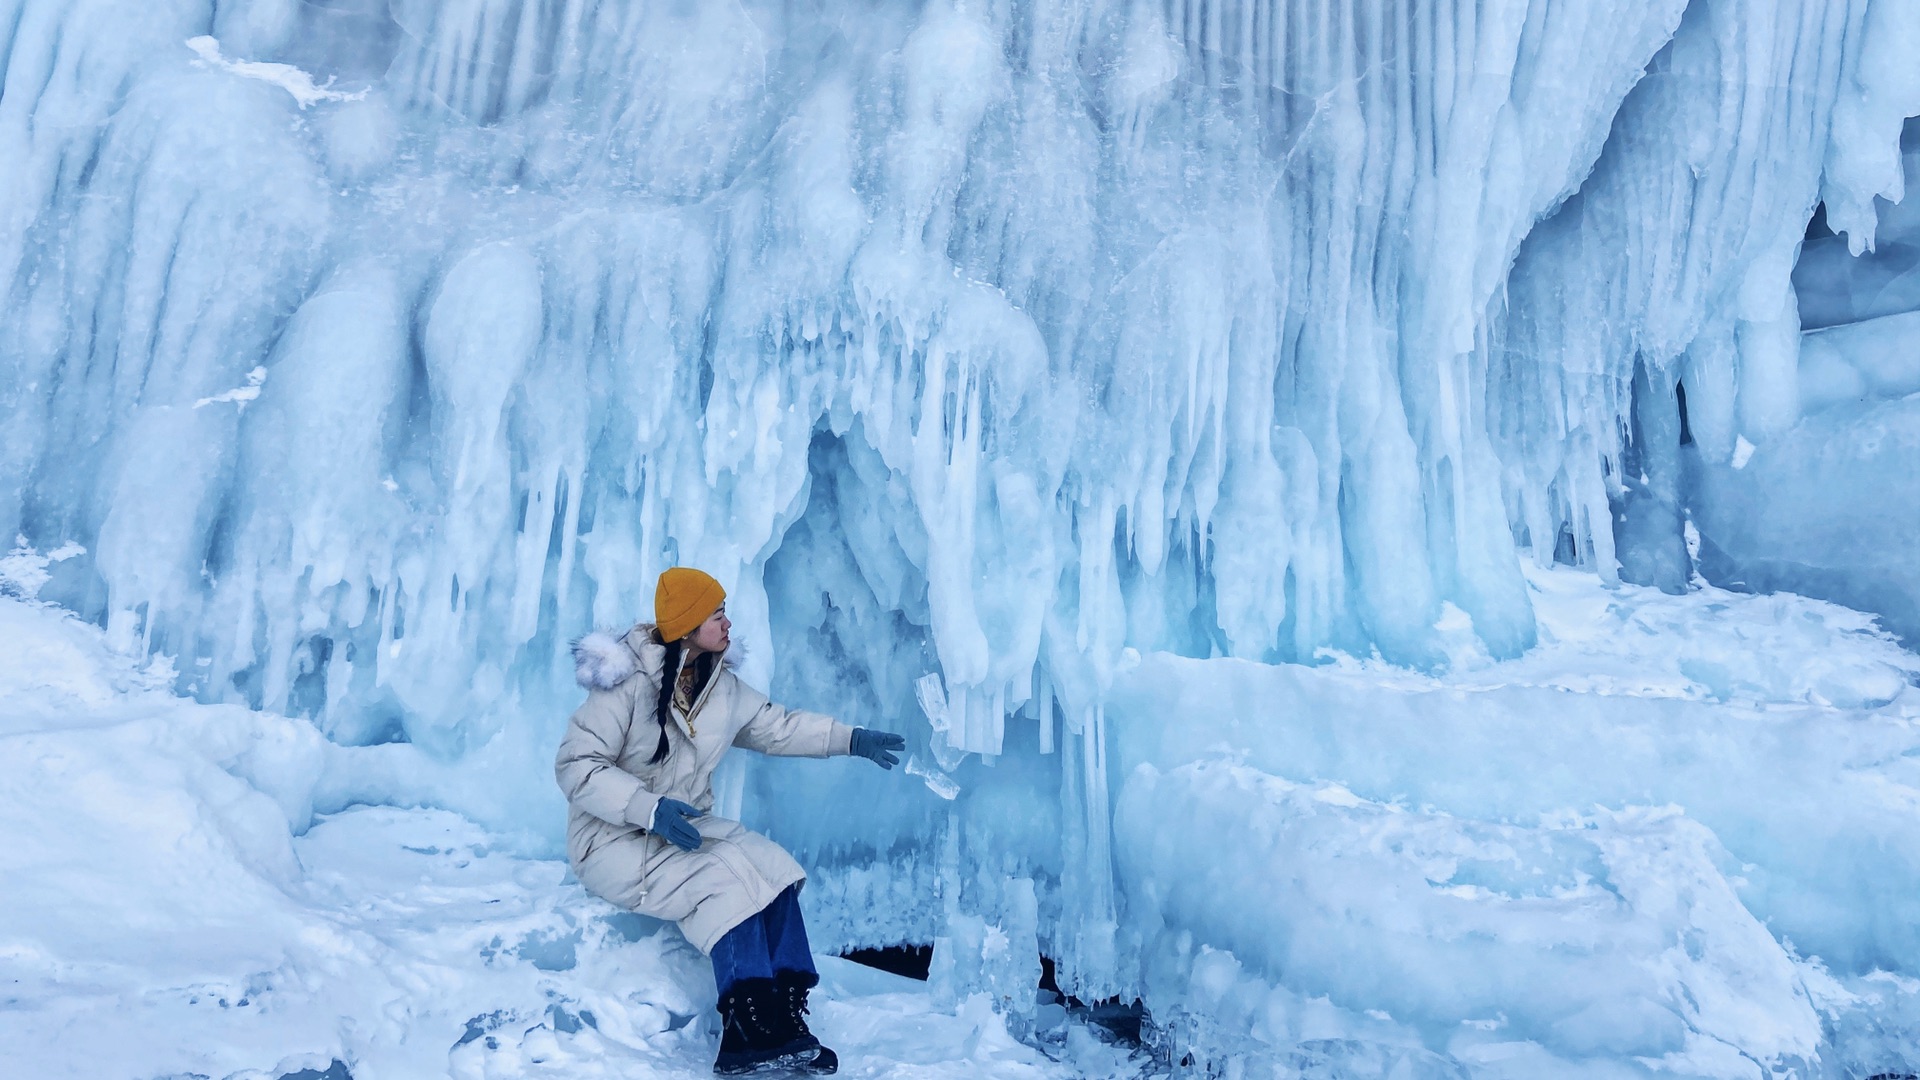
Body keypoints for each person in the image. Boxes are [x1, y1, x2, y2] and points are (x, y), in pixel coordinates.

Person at [555, 567, 906, 1075]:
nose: (727, 623)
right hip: (610, 839)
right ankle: (745, 1029)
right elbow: (576, 766)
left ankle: (785, 1016)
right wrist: (647, 808)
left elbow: (779, 727)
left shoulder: (720, 686)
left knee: (775, 870)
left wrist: (850, 739)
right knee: (725, 882)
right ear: (688, 624)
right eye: (716, 614)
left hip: (680, 827)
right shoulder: (624, 685)